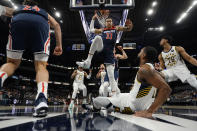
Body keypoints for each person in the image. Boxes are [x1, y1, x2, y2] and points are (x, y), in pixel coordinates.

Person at [0, 0, 62, 117]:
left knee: (12, 63)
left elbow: (3, 10)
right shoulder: (43, 12)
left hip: (19, 21)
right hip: (40, 24)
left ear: (25, 4)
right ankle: (42, 99)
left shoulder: (19, 8)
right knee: (41, 66)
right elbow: (57, 25)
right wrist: (59, 45)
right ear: (36, 5)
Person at [83, 46, 171, 118]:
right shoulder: (152, 70)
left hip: (130, 106)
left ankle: (95, 108)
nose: (139, 53)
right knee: (116, 94)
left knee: (97, 101)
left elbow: (166, 89)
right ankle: (104, 106)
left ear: (143, 55)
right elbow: (161, 78)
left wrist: (149, 112)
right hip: (129, 97)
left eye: (140, 51)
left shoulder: (145, 70)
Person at [77, 13, 133, 96]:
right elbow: (91, 30)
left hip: (109, 53)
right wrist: (93, 19)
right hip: (102, 49)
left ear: (112, 22)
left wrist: (130, 25)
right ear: (105, 23)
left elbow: (128, 29)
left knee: (111, 76)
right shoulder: (102, 29)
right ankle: (88, 61)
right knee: (97, 37)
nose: (109, 22)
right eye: (107, 21)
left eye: (110, 21)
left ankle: (114, 96)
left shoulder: (116, 28)